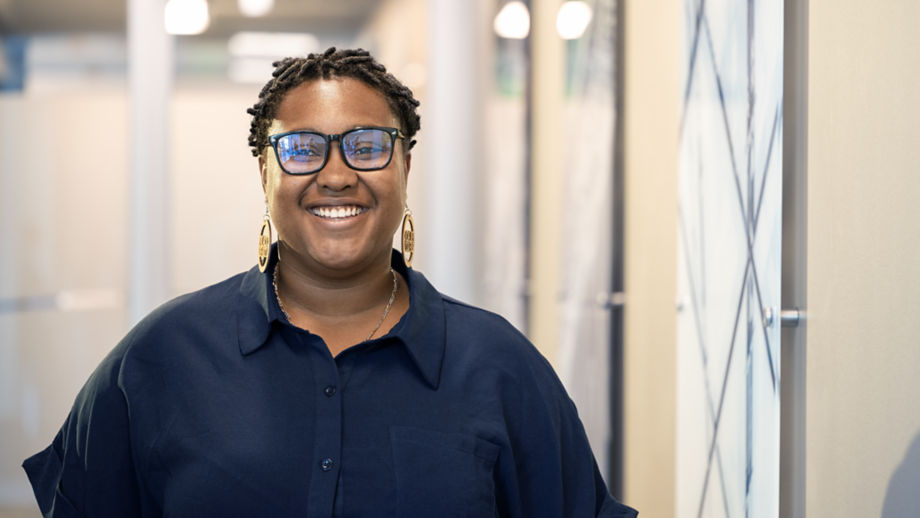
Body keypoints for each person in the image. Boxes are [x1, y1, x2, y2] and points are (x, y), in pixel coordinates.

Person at [23, 47, 637, 518]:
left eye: (367, 146)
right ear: (264, 172)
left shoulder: (500, 366)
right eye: (302, 148)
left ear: (405, 166)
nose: (337, 175)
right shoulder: (161, 357)